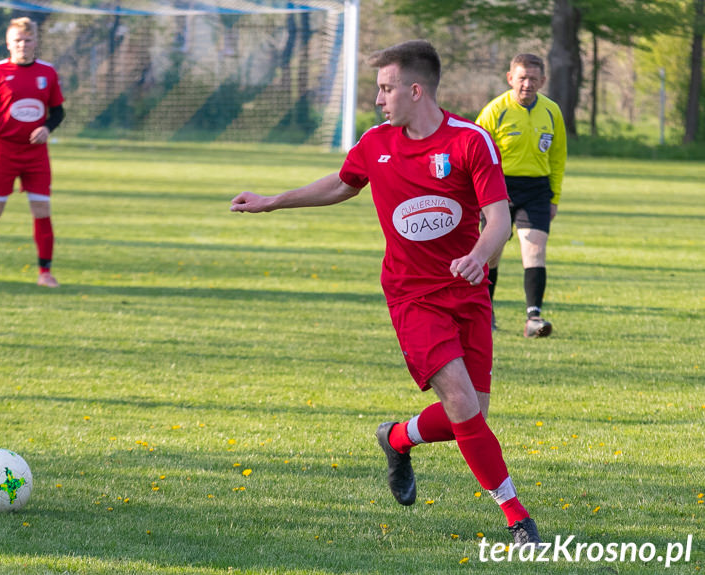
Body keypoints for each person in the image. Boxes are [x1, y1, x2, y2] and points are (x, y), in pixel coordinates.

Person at [231, 40, 541, 545]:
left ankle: (396, 437)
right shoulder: (376, 143)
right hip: (412, 296)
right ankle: (516, 514)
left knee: (472, 414)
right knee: (462, 403)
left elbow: (500, 220)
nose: (379, 98)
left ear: (416, 90)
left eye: (387, 88)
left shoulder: (470, 141)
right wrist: (272, 202)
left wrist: (477, 257)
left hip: (467, 292)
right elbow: (342, 184)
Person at [0, 17, 65, 288]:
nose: (23, 45)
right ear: (8, 43)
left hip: (36, 154)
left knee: (42, 209)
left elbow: (59, 111)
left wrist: (47, 128)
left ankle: (45, 273)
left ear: (35, 42)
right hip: (2, 151)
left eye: (28, 40)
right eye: (17, 40)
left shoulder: (48, 72)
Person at [475, 54, 567, 338]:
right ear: (510, 78)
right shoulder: (494, 111)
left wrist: (554, 198)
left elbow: (558, 156)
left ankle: (533, 318)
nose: (527, 84)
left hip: (537, 190)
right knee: (492, 255)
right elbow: (474, 154)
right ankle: (484, 312)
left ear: (542, 81)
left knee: (535, 249)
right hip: (498, 188)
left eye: (533, 79)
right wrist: (476, 197)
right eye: (521, 77)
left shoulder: (552, 112)